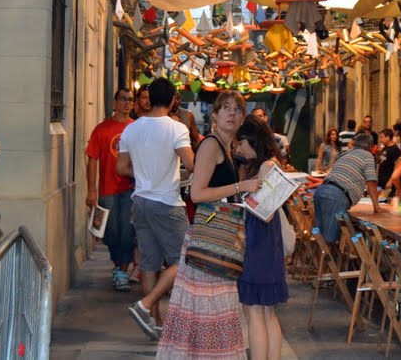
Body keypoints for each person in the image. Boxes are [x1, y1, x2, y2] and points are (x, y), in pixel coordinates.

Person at [157, 91, 261, 358]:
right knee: (207, 312)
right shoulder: (211, 145)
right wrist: (241, 186)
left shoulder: (227, 147)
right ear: (214, 115)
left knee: (210, 314)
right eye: (226, 108)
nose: (232, 114)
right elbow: (198, 194)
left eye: (237, 110)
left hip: (220, 239)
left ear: (242, 118)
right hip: (210, 239)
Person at [117, 77, 196, 338]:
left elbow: (121, 168)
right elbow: (192, 164)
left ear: (149, 99)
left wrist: (143, 172)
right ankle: (146, 304)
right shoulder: (177, 129)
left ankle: (154, 322)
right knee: (184, 260)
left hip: (140, 201)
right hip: (167, 203)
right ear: (174, 99)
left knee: (149, 263)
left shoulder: (131, 129)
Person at [234, 116, 288, 360]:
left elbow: (265, 213)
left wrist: (245, 192)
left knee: (254, 312)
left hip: (258, 241)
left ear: (252, 140)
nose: (238, 149)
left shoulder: (267, 167)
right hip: (267, 242)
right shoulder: (268, 164)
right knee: (267, 313)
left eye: (241, 143)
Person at [85, 88, 137, 291]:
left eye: (130, 100)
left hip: (130, 189)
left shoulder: (136, 128)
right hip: (107, 189)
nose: (127, 103)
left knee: (127, 232)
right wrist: (91, 191)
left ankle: (121, 271)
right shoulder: (101, 129)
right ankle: (119, 267)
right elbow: (92, 160)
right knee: (111, 233)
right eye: (123, 99)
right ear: (115, 102)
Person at [314, 130, 381, 244]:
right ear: (370, 146)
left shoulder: (345, 154)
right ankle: (328, 261)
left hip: (321, 191)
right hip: (336, 196)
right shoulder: (367, 155)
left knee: (319, 238)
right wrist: (376, 207)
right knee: (328, 241)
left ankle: (318, 261)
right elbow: (371, 182)